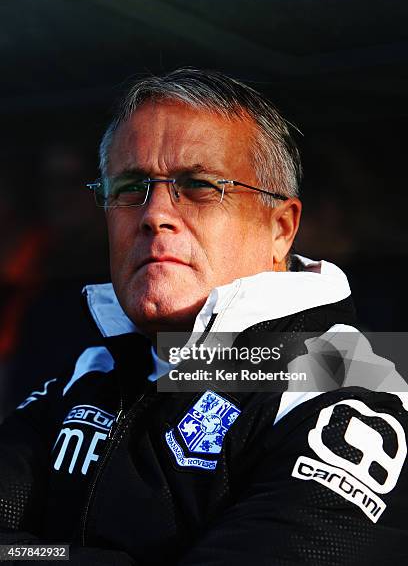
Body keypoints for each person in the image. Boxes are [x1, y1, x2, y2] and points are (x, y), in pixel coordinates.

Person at [0, 68, 407, 565]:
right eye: (130, 187)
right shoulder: (92, 372)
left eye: (198, 186)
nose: (154, 213)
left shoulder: (359, 382)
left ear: (280, 228)